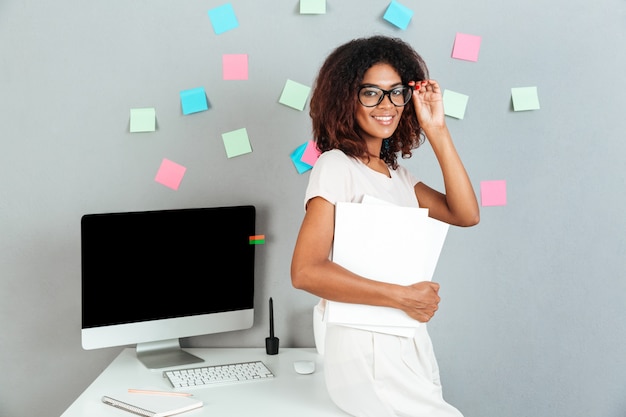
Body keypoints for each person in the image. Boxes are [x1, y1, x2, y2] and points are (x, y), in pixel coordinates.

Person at [290, 35, 480, 417]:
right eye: (371, 93)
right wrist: (402, 297)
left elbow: (465, 214)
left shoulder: (397, 175)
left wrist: (437, 130)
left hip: (406, 337)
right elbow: (305, 271)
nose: (387, 105)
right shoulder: (336, 165)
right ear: (346, 99)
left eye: (396, 93)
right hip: (366, 347)